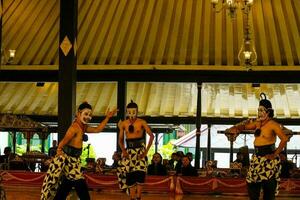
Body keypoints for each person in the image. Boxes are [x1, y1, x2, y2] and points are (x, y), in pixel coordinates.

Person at [40, 102, 117, 200]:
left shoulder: (82, 127)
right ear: (78, 113)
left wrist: (107, 117)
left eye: (89, 115)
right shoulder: (74, 128)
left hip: (75, 161)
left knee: (66, 186)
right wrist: (60, 154)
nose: (88, 117)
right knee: (81, 186)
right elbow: (61, 144)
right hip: (70, 163)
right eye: (86, 114)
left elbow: (97, 129)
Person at [226, 93, 288, 200]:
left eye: (262, 110)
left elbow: (284, 139)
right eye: (258, 110)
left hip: (268, 159)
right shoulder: (257, 123)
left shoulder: (273, 124)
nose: (259, 113)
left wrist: (274, 154)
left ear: (268, 112)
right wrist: (238, 128)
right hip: (256, 159)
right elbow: (246, 126)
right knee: (252, 185)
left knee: (269, 188)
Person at [118, 100, 154, 200]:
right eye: (129, 112)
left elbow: (151, 136)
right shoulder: (124, 124)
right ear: (126, 112)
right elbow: (120, 140)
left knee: (140, 174)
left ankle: (138, 197)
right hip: (129, 151)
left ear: (137, 111)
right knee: (130, 175)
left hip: (140, 151)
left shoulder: (142, 122)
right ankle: (132, 197)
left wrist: (145, 152)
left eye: (133, 112)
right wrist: (123, 151)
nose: (131, 114)